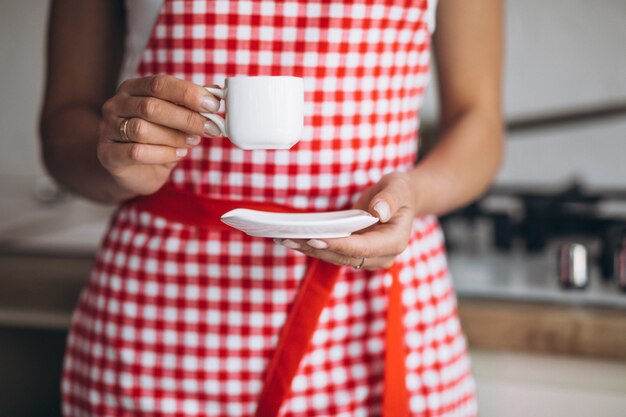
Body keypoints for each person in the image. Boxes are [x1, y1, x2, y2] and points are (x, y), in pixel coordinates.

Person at [41, 0, 502, 416]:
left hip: (372, 304)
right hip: (159, 324)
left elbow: (478, 122)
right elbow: (63, 127)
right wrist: (117, 160)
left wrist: (414, 192)